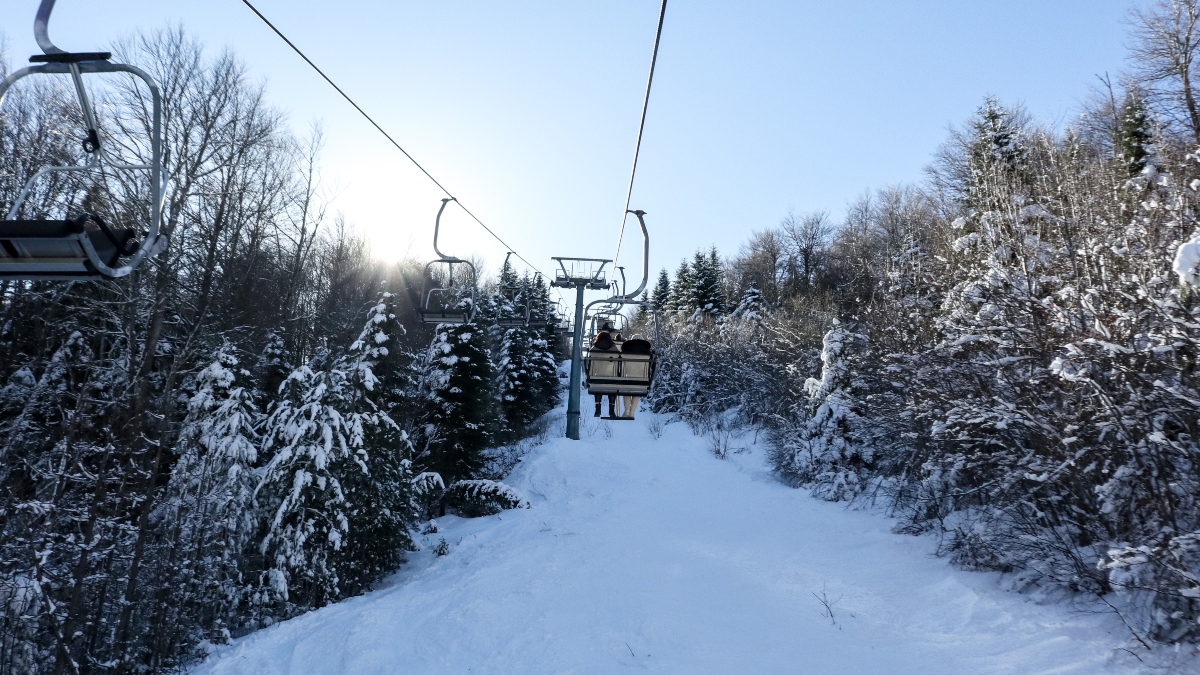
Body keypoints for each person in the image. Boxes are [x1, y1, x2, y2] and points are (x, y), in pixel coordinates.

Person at [618, 333, 652, 419]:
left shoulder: (626, 349)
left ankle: (626, 411)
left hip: (627, 376)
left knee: (627, 392)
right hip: (641, 377)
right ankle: (632, 412)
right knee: (637, 393)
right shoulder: (647, 351)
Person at [588, 330, 619, 417]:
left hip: (597, 375)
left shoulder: (594, 349)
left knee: (598, 387)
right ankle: (611, 411)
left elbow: (589, 362)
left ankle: (598, 409)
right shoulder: (613, 348)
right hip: (611, 375)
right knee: (612, 388)